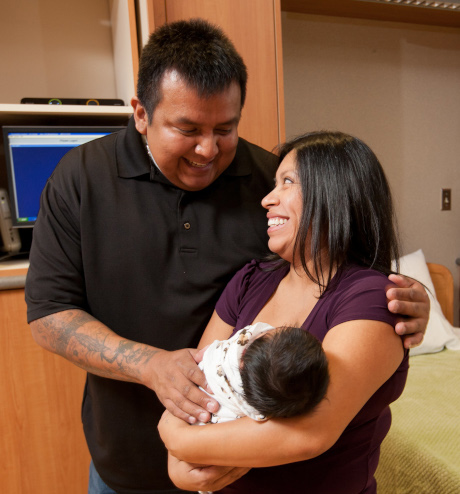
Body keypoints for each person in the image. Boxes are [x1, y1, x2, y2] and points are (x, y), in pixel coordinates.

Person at [24, 18, 429, 494]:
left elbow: (333, 264)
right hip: (130, 454)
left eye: (225, 128)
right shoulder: (82, 178)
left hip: (246, 463)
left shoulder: (264, 174)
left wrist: (405, 293)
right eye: (187, 128)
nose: (207, 149)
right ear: (140, 114)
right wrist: (152, 368)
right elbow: (50, 313)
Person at [159, 130, 411, 493]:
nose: (267, 199)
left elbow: (309, 434)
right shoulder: (250, 279)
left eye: (287, 182)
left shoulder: (372, 298)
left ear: (333, 194)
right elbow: (199, 382)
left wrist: (176, 440)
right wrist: (177, 468)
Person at [197, 322, 329, 424]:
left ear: (243, 351)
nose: (270, 328)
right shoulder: (259, 412)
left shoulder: (226, 354)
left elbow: (202, 356)